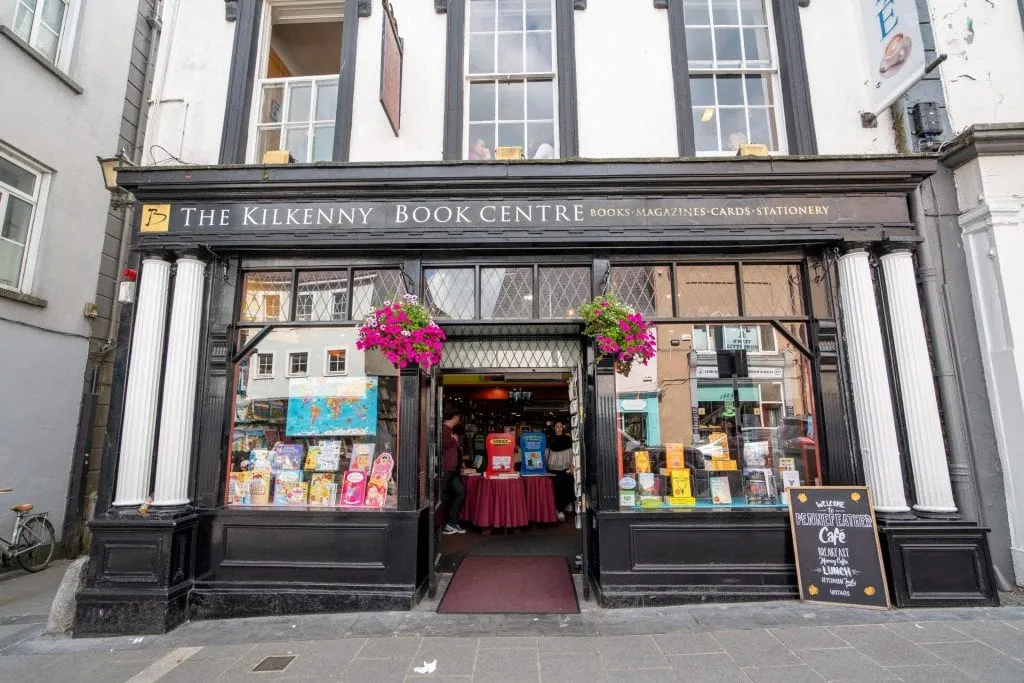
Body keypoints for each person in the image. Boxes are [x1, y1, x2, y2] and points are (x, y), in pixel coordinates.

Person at [441, 407, 467, 534]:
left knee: (460, 492)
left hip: (453, 468)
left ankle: (452, 521)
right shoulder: (444, 430)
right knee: (445, 496)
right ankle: (445, 524)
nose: (459, 420)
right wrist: (454, 439)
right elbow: (443, 444)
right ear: (455, 417)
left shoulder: (449, 430)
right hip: (446, 468)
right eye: (459, 418)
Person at [546, 421, 575, 522]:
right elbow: (546, 453)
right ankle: (558, 510)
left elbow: (572, 453)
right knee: (555, 491)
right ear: (554, 428)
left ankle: (561, 509)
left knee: (565, 489)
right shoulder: (550, 439)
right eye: (557, 427)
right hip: (553, 469)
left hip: (565, 469)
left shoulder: (567, 439)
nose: (559, 428)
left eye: (560, 427)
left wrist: (572, 466)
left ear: (563, 428)